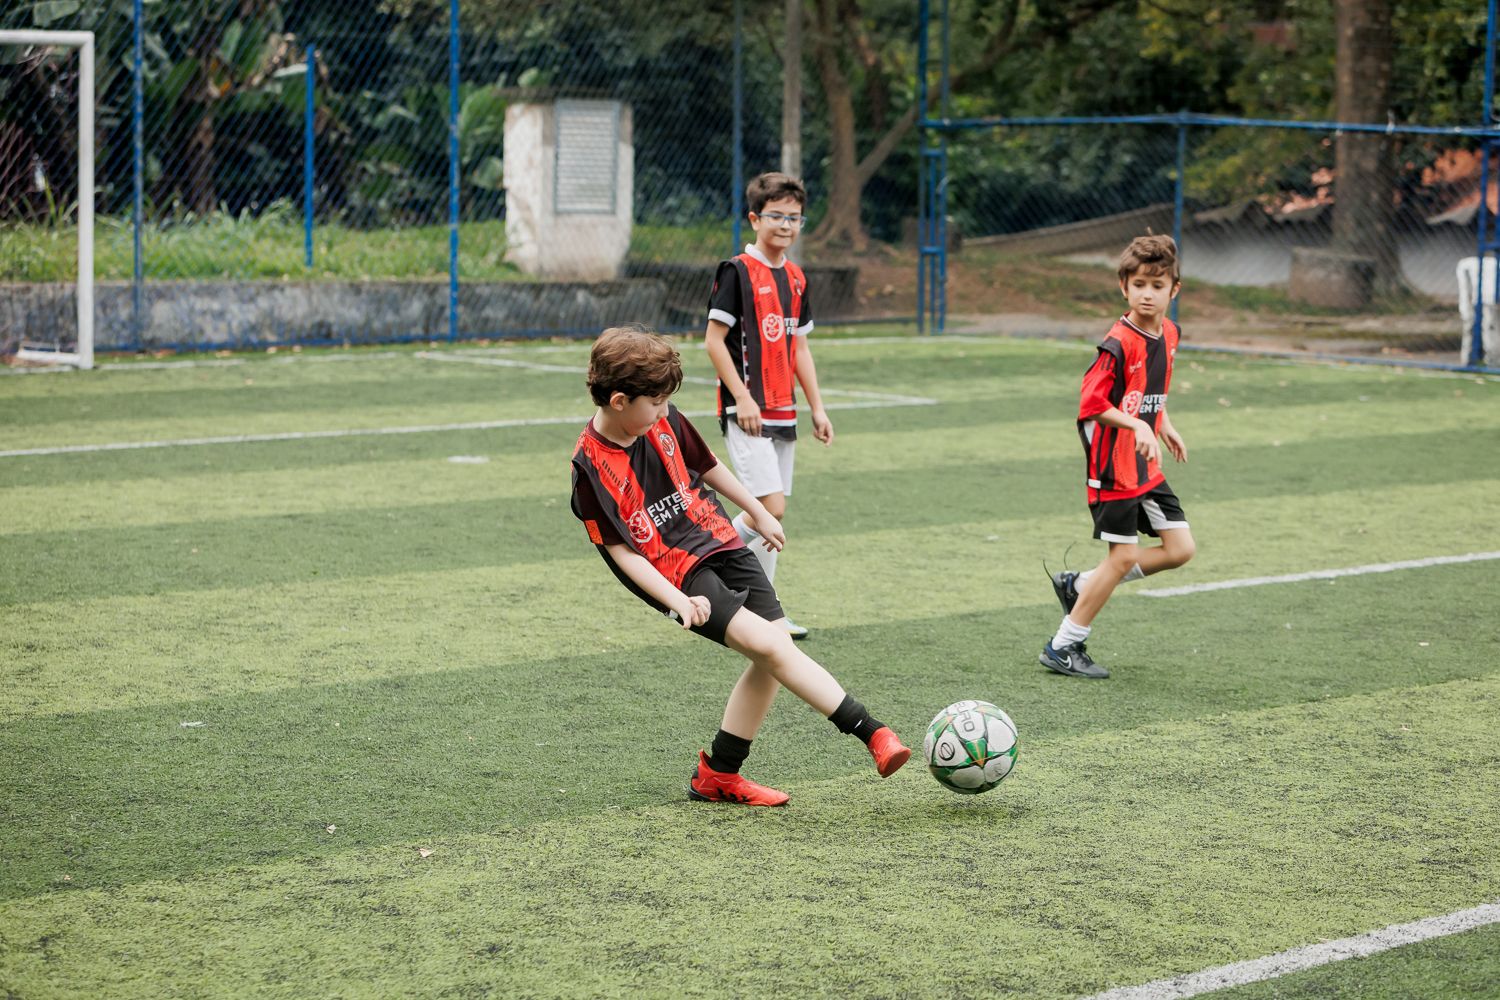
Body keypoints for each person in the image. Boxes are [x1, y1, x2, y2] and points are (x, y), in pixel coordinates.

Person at [570, 326, 910, 805]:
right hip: (676, 572)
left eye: (668, 402)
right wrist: (676, 600)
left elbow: (707, 465)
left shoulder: (658, 417)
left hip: (719, 539)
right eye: (656, 404)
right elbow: (622, 553)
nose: (664, 412)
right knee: (769, 644)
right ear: (620, 400)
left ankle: (719, 775)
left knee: (773, 655)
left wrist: (760, 511)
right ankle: (872, 733)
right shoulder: (589, 467)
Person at [1042, 235, 1198, 680]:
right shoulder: (1117, 343)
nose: (1148, 293)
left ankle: (1081, 585)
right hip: (1113, 470)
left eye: (1157, 284)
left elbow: (1149, 391)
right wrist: (1138, 426)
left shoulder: (1169, 333)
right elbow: (1092, 405)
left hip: (1145, 467)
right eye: (1139, 284)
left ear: (1175, 289)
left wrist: (1162, 422)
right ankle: (1063, 645)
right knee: (1124, 557)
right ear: (1123, 288)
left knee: (1180, 549)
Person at [703, 172, 831, 640]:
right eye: (776, 216)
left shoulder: (796, 277)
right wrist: (741, 397)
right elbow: (714, 342)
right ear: (755, 218)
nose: (786, 225)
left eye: (794, 218)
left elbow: (799, 348)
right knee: (767, 510)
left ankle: (765, 611)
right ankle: (703, 561)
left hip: (784, 411)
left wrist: (817, 407)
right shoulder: (736, 270)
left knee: (774, 515)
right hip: (749, 411)